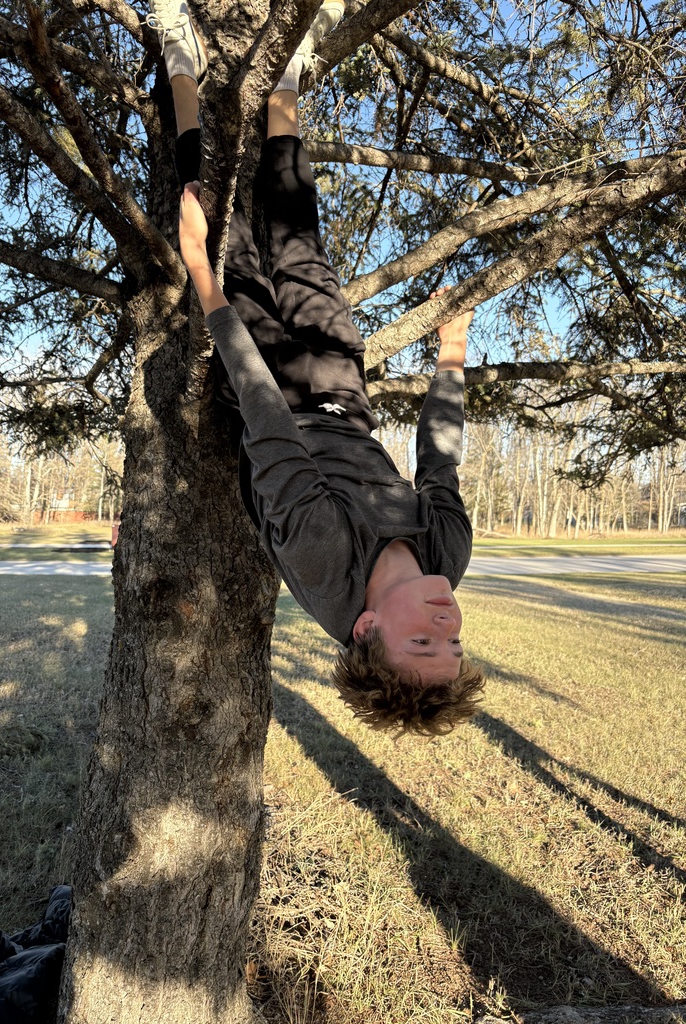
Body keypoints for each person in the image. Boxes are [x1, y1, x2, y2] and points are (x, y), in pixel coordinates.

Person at [148, 0, 486, 735]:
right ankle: (287, 81)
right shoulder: (445, 556)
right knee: (295, 225)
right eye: (453, 642)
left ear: (365, 629)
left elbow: (269, 423)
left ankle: (177, 62)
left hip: (273, 385)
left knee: (218, 214)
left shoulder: (324, 560)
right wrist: (452, 352)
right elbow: (440, 462)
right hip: (339, 381)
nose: (445, 620)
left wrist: (203, 277)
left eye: (423, 640)